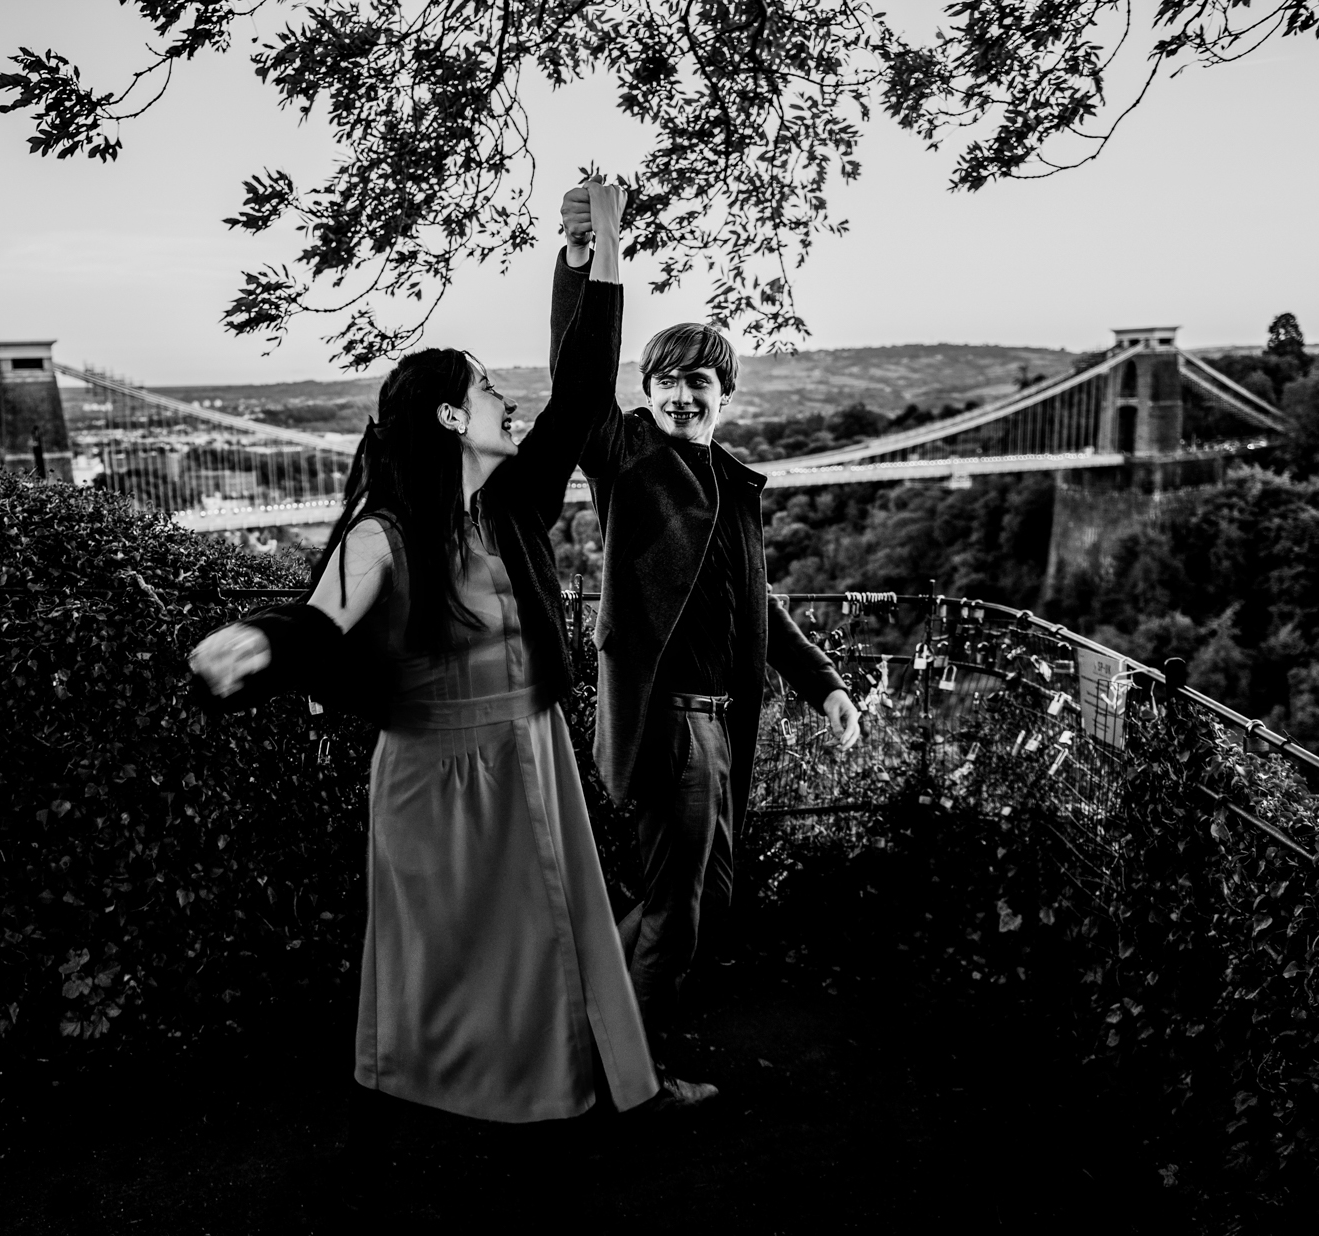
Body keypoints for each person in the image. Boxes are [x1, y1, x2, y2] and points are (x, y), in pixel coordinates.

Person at [189, 179, 659, 1128]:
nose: (505, 398)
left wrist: (594, 252)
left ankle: (564, 1092)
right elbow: (317, 625)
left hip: (533, 753)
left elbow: (580, 388)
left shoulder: (514, 501)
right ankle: (444, 1120)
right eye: (486, 388)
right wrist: (256, 644)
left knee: (553, 943)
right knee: (458, 959)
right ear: (450, 416)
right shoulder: (385, 531)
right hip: (439, 780)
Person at [562, 230, 863, 1107]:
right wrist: (587, 265)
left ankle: (589, 1024)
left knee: (701, 897)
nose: (685, 393)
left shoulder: (731, 485)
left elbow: (759, 607)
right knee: (677, 909)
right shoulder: (628, 461)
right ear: (647, 393)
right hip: (672, 723)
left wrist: (828, 684)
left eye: (702, 379)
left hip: (726, 723)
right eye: (669, 380)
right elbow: (579, 375)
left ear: (723, 393)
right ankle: (630, 1081)